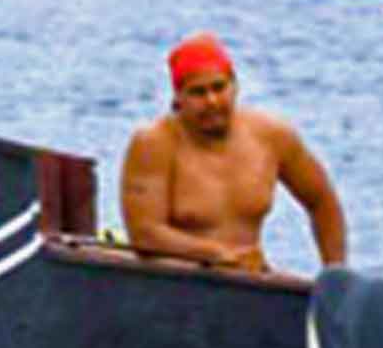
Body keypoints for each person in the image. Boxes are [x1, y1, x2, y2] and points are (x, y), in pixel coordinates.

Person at [121, 32, 347, 273]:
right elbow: (145, 234)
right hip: (178, 281)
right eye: (198, 93)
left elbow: (322, 202)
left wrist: (334, 276)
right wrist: (217, 255)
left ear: (235, 86)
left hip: (248, 280)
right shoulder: (153, 144)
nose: (212, 101)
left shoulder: (273, 136)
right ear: (178, 99)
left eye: (219, 88)